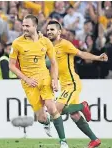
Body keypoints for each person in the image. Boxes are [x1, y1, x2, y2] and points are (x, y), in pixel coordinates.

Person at [46, 20, 108, 148]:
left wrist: (97, 57)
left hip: (72, 83)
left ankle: (81, 107)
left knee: (55, 110)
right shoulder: (49, 47)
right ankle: (94, 139)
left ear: (59, 31)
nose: (49, 32)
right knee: (74, 115)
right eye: (47, 30)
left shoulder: (64, 44)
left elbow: (81, 54)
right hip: (64, 84)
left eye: (52, 29)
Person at [8, 14, 67, 148]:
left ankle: (63, 141)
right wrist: (26, 79)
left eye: (27, 26)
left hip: (44, 78)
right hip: (29, 83)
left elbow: (53, 63)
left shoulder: (45, 41)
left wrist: (54, 80)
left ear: (35, 26)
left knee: (52, 108)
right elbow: (11, 65)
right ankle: (46, 123)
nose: (24, 28)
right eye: (23, 25)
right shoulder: (17, 43)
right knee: (41, 118)